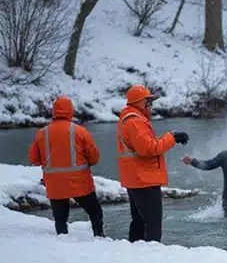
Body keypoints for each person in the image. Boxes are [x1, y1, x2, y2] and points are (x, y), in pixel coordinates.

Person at [116, 84, 189, 243]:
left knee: (139, 221)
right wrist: (172, 138)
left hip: (136, 178)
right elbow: (149, 149)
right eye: (148, 102)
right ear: (140, 103)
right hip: (144, 180)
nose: (151, 106)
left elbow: (145, 145)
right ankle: (152, 256)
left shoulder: (130, 118)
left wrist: (171, 137)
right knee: (152, 223)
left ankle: (136, 252)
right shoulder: (135, 122)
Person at [27, 96, 104, 237]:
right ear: (71, 111)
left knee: (60, 217)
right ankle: (99, 237)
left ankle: (62, 240)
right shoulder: (79, 131)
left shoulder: (42, 133)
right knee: (95, 212)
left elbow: (34, 159)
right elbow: (94, 157)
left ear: (54, 112)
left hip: (55, 183)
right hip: (79, 182)